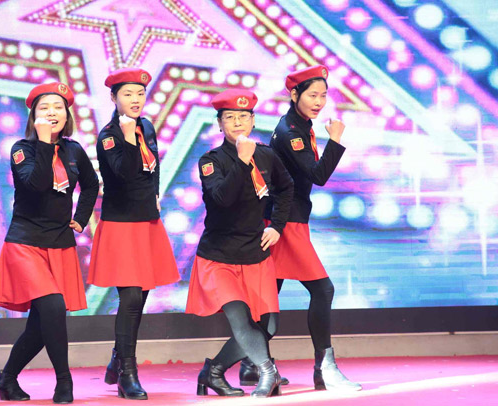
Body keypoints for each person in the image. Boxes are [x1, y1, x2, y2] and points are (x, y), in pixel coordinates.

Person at [0, 82, 99, 404]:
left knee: (41, 324)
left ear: (66, 115)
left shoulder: (74, 150)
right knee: (52, 307)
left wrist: (81, 218)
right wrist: (43, 143)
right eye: (44, 108)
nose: (52, 113)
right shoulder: (22, 149)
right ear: (33, 116)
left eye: (58, 107)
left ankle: (7, 379)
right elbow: (35, 185)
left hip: (60, 243)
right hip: (26, 243)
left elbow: (91, 185)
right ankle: (64, 381)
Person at [186, 89, 293, 398]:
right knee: (241, 318)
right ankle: (268, 373)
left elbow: (287, 189)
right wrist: (242, 161)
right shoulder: (211, 161)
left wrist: (277, 226)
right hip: (219, 257)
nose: (237, 123)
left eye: (243, 117)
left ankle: (213, 372)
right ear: (220, 124)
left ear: (253, 120)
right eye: (229, 117)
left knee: (268, 327)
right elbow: (222, 199)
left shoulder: (267, 155)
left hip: (255, 254)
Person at [261, 65, 361, 391]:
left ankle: (252, 365)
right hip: (285, 222)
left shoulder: (299, 125)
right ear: (294, 95)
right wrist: (336, 139)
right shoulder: (291, 132)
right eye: (312, 95)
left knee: (269, 295)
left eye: (323, 95)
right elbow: (318, 175)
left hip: (288, 218)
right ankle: (324, 369)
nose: (319, 102)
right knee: (322, 290)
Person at [89, 67, 180, 400]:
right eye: (128, 94)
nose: (136, 99)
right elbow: (124, 174)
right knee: (129, 298)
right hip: (121, 225)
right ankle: (128, 372)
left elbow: (153, 165)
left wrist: (155, 193)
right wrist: (128, 139)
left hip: (147, 222)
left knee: (141, 296)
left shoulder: (147, 127)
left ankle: (118, 357)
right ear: (114, 98)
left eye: (140, 93)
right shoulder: (110, 135)